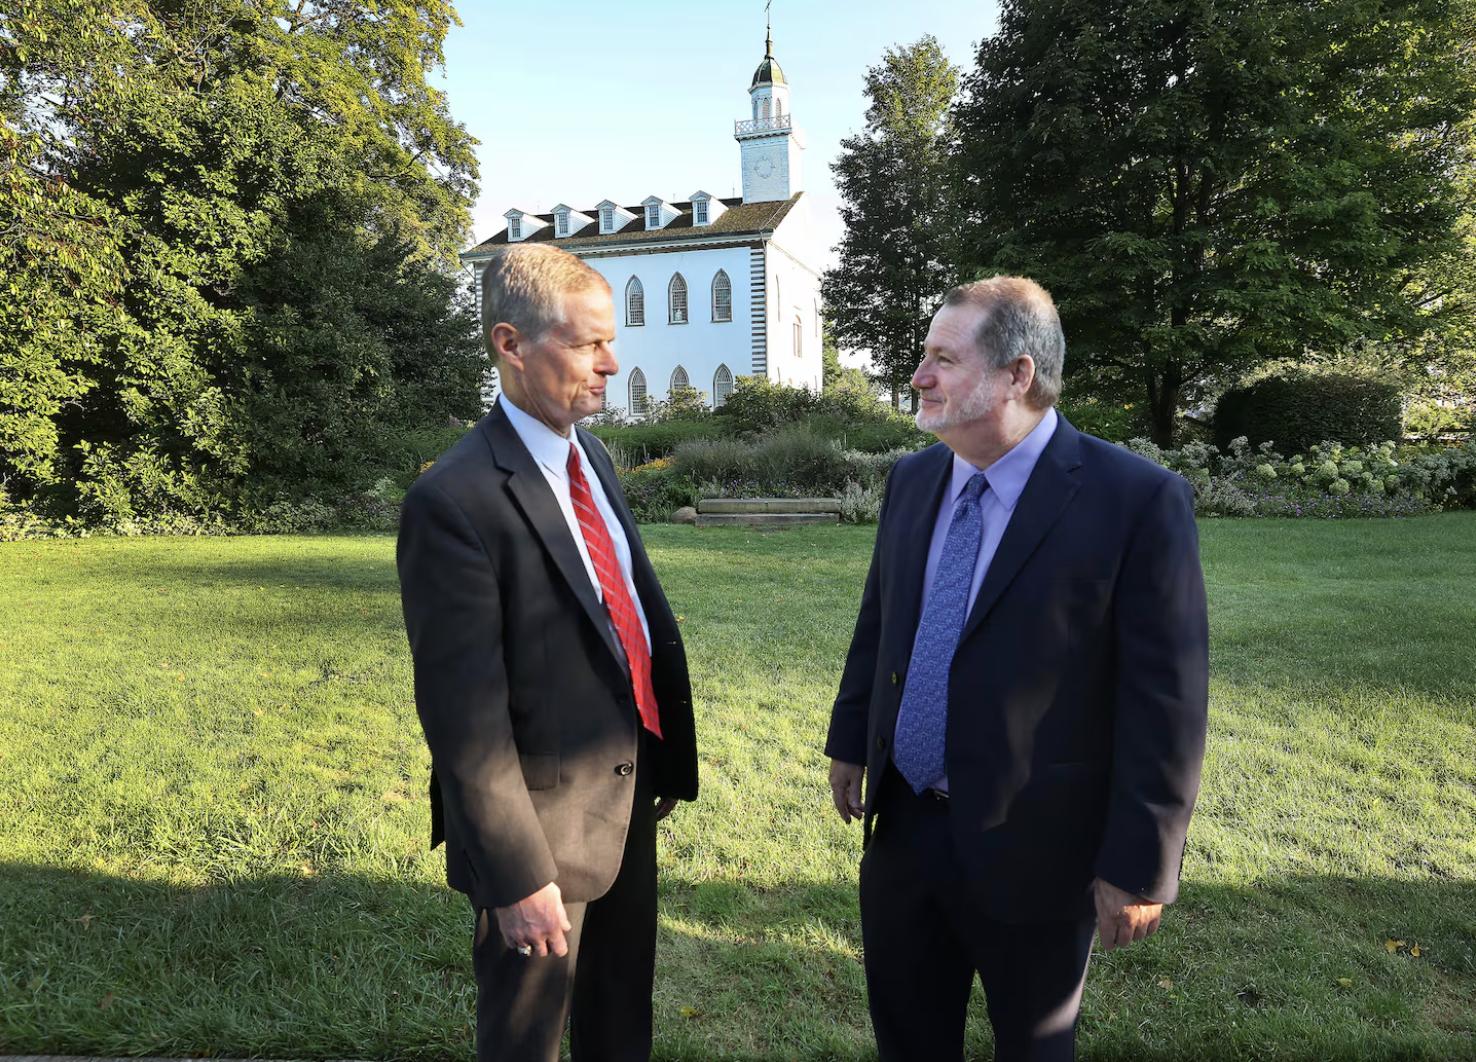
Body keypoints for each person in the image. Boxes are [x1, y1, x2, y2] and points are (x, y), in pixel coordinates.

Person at [825, 276, 1208, 1061]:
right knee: (908, 1040)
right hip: (903, 835)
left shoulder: (1135, 501)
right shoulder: (912, 480)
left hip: (1038, 849)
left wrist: (1139, 865)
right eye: (922, 357)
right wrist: (852, 736)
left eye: (942, 359)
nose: (918, 376)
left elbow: (1166, 702)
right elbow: (882, 622)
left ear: (1017, 375)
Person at [397, 243, 698, 1062]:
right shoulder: (453, 501)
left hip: (626, 795)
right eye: (586, 343)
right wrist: (517, 874)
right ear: (510, 344)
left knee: (619, 1023)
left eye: (610, 340)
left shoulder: (590, 455)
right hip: (540, 834)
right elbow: (464, 718)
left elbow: (617, 612)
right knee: (527, 1040)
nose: (610, 363)